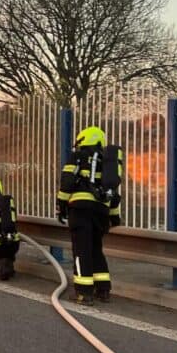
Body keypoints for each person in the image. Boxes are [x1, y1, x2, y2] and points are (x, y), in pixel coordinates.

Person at [56, 126, 123, 304]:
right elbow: (114, 195)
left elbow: (67, 183)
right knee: (96, 249)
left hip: (80, 210)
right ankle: (103, 290)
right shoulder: (109, 162)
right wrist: (114, 216)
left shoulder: (78, 157)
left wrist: (61, 206)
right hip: (101, 212)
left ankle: (84, 292)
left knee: (81, 250)